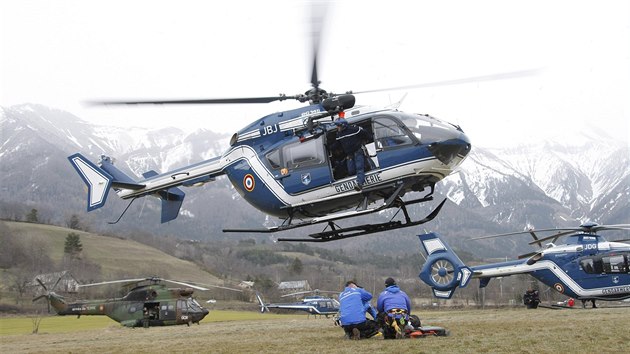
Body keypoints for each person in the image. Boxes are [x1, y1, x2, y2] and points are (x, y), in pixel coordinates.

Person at [333, 118, 372, 191]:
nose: (337, 128)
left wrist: (367, 139)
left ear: (343, 125)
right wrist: (329, 147)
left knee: (359, 168)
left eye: (338, 126)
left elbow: (365, 134)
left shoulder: (354, 129)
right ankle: (364, 171)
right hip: (349, 154)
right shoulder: (339, 134)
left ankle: (360, 184)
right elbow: (337, 144)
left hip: (358, 152)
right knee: (351, 170)